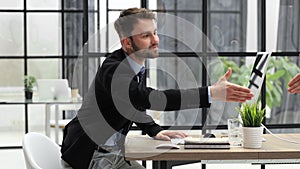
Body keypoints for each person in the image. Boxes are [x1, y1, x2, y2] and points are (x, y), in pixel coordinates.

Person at [61, 8, 254, 169]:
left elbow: (130, 105)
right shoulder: (115, 70)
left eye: (155, 32)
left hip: (110, 154)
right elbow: (147, 98)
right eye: (146, 35)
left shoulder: (134, 64)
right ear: (127, 43)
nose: (155, 40)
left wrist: (154, 130)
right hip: (88, 157)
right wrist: (210, 93)